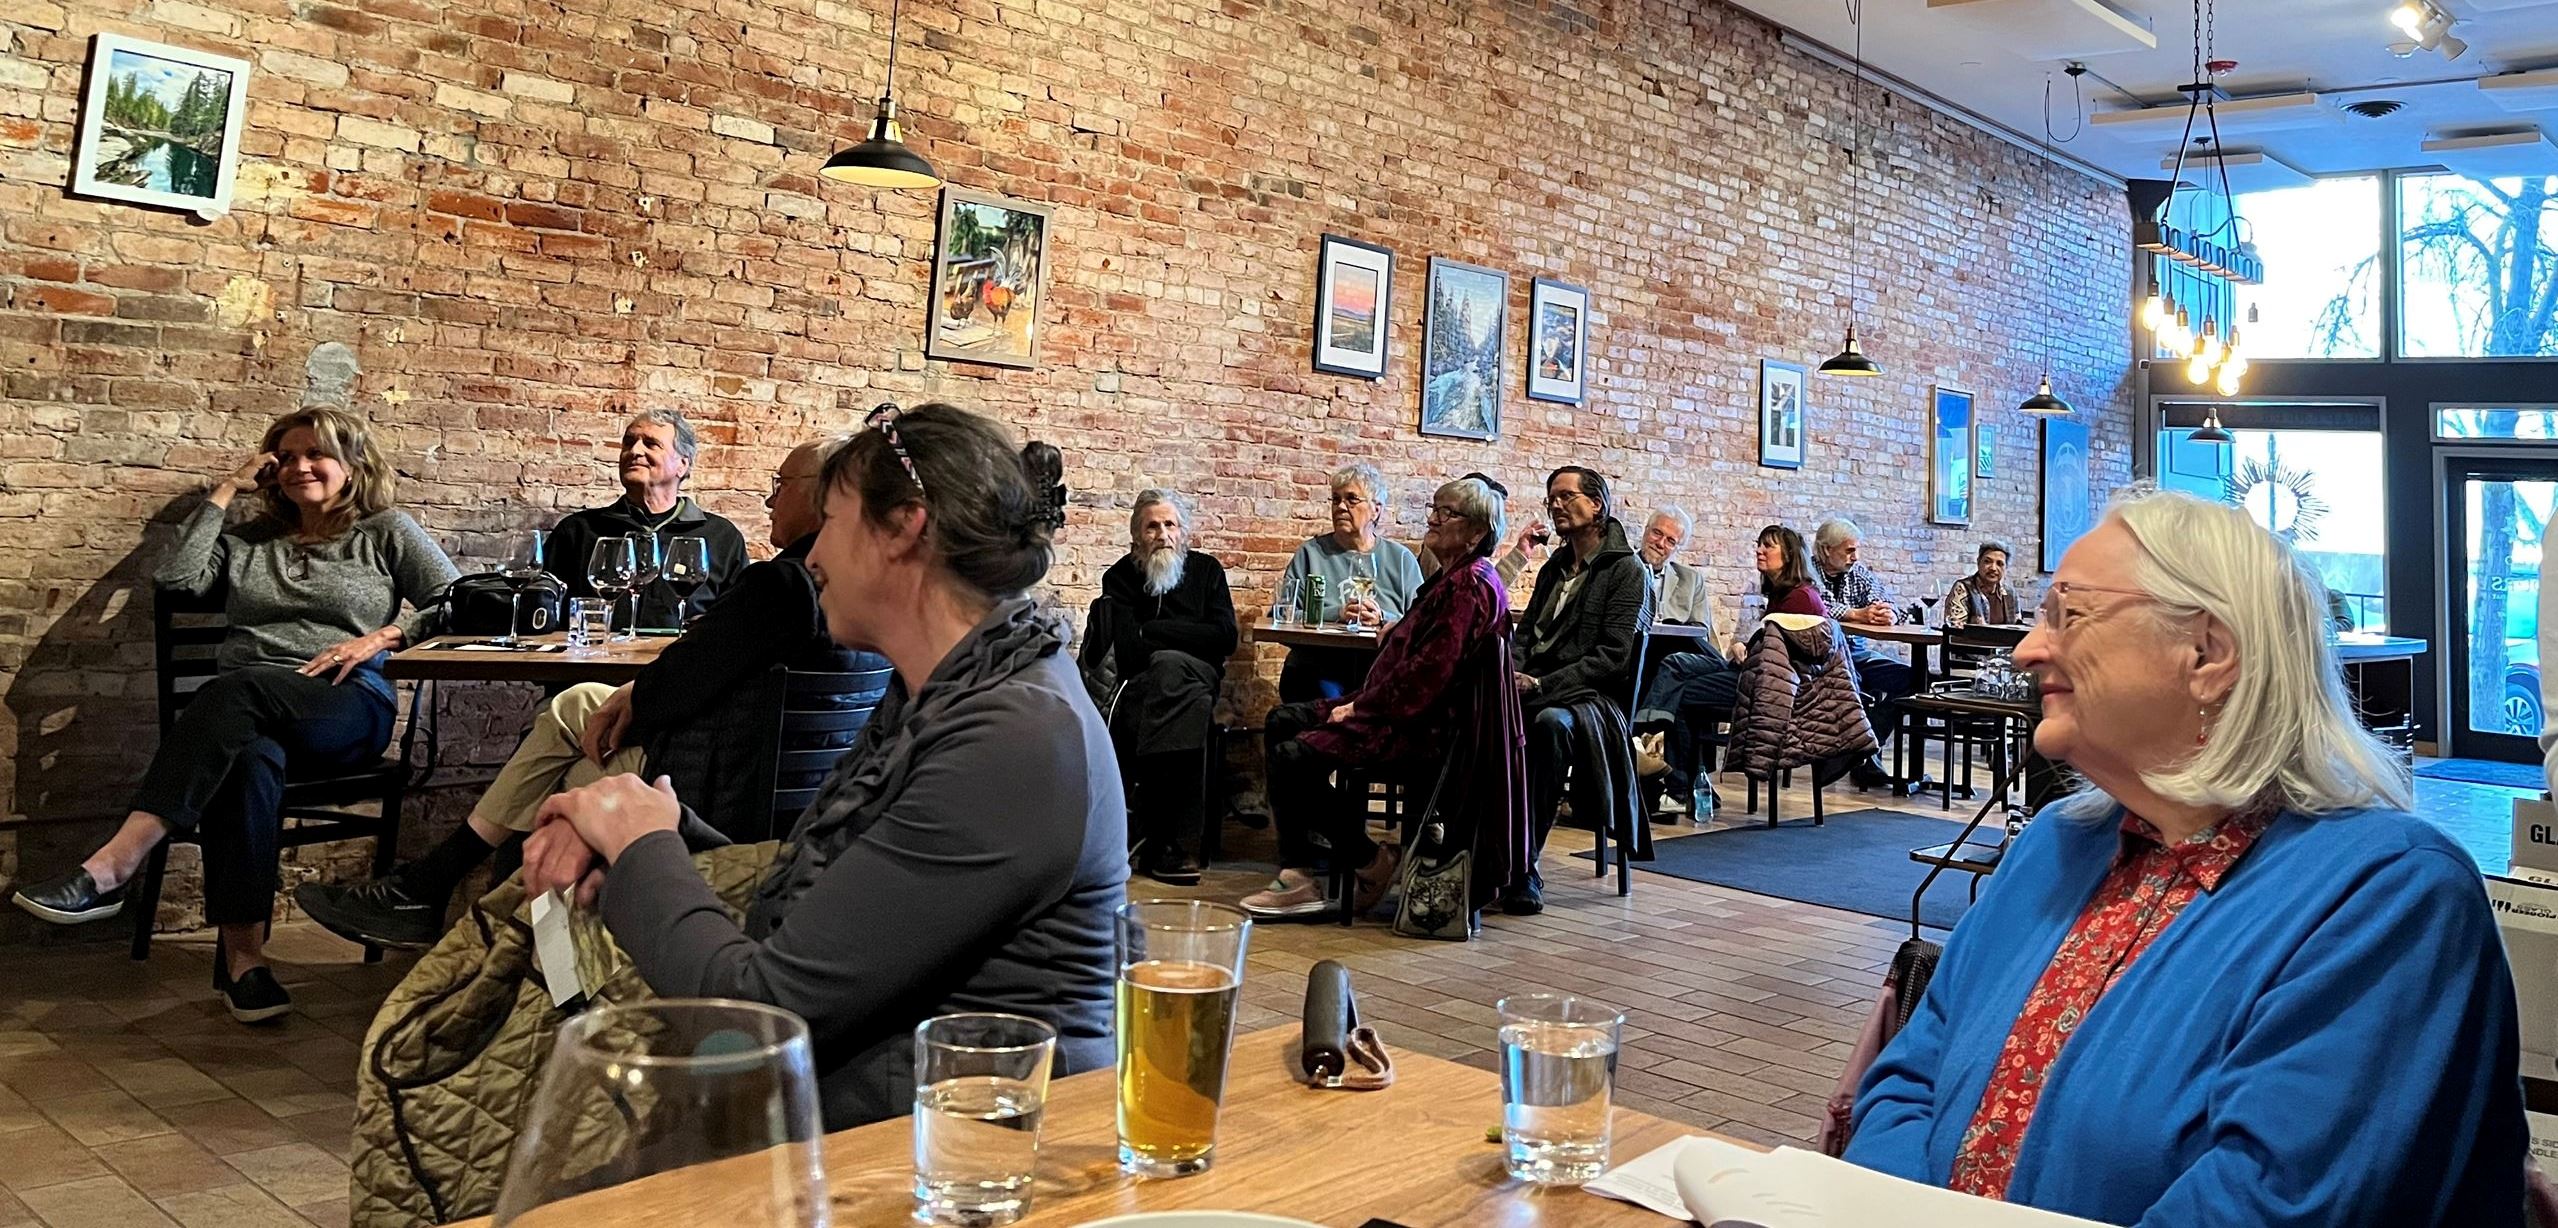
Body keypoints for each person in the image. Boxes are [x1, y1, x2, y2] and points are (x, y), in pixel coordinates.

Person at [1847, 488, 2525, 1225]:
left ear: (2207, 654)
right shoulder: (2054, 845)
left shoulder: (2389, 897)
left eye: (2068, 614)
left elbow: (2268, 1204)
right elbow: (1910, 1078)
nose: (2027, 649)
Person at [518, 403, 1121, 1132]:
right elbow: (852, 910)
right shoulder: (951, 692)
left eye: (830, 520)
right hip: (890, 1105)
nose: (813, 556)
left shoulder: (1018, 736)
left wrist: (642, 848)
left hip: (954, 1148)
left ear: (905, 527)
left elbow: (759, 1019)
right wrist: (658, 831)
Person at [295, 437, 876, 949]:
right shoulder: (867, 591)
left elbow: (675, 693)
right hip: (801, 795)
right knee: (575, 716)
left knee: (562, 787)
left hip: (715, 787)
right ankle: (467, 919)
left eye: (781, 485)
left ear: (823, 495)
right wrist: (654, 680)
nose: (770, 499)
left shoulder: (777, 582)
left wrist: (647, 688)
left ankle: (468, 928)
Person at [11, 409, 458, 1023]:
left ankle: (113, 865)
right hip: (248, 712)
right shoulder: (250, 541)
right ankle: (245, 964)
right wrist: (224, 491)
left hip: (345, 704)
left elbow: (461, 600)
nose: (301, 466)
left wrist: (380, 637)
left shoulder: (386, 531)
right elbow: (176, 578)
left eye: (317, 454)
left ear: (353, 465)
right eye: (287, 456)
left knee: (238, 691)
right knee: (248, 758)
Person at [1241, 477, 1524, 918]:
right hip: (1397, 708)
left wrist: (1361, 707)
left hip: (1419, 727)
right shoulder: (1451, 579)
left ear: (1476, 532)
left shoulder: (1469, 586)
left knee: (1291, 757)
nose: (1432, 519)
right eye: (1434, 509)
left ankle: (1368, 861)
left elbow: (1429, 677)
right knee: (1282, 719)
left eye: (1446, 513)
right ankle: (1299, 872)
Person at [1506, 466, 1654, 916]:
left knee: (1550, 725)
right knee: (1476, 708)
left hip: (1590, 698)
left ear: (1598, 506)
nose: (1555, 505)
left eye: (1567, 497)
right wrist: (1509, 671)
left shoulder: (1626, 570)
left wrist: (1542, 683)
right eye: (1551, 497)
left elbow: (1612, 658)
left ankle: (1524, 865)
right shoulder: (1554, 567)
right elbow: (1525, 634)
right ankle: (1469, 846)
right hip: (1538, 685)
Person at [1099, 488, 1238, 885]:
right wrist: (1191, 636)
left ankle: (1151, 834)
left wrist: (1155, 629)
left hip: (1199, 675)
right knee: (1171, 680)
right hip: (1145, 683)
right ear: (1137, 537)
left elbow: (1225, 637)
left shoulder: (1207, 572)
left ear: (1184, 533)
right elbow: (1128, 651)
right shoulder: (1122, 577)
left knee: (1170, 667)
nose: (1162, 534)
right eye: (1152, 527)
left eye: (1170, 525)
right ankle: (1168, 840)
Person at [548, 408, 747, 630]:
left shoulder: (722, 537)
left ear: (683, 464)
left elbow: (738, 621)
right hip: (596, 662)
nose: (635, 451)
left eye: (651, 444)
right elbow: (543, 612)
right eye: (629, 442)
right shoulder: (578, 531)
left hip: (680, 663)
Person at [1275, 462, 1424, 702]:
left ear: (1376, 509)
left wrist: (1382, 617)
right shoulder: (1310, 554)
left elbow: (1421, 623)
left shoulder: (1401, 560)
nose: (1341, 507)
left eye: (1352, 499)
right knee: (1327, 705)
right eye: (1336, 499)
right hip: (1318, 666)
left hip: (1381, 668)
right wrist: (1337, 613)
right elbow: (1283, 617)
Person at [1632, 506, 1736, 816]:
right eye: (1657, 533)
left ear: (1677, 547)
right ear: (1645, 532)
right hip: (1636, 659)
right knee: (1678, 694)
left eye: (1670, 540)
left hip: (1678, 657)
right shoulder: (1625, 569)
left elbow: (1700, 631)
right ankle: (1683, 783)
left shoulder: (1690, 579)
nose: (1661, 543)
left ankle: (1649, 747)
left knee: (1676, 670)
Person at [1812, 517, 1917, 791]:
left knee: (1915, 680)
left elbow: (1887, 600)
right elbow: (1818, 607)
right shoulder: (1808, 571)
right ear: (1825, 550)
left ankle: (1864, 745)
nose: (1854, 557)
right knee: (1851, 684)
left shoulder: (1857, 572)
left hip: (1858, 654)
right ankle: (1861, 754)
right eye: (1848, 551)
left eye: (1855, 550)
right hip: (1825, 659)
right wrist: (1855, 613)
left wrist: (1889, 612)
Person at [1942, 540, 2019, 629]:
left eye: (2000, 564)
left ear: (2006, 568)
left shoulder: (2010, 594)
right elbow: (1955, 628)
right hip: (1969, 643)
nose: (1993, 568)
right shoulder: (1963, 588)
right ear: (1978, 562)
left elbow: (2017, 628)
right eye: (1987, 561)